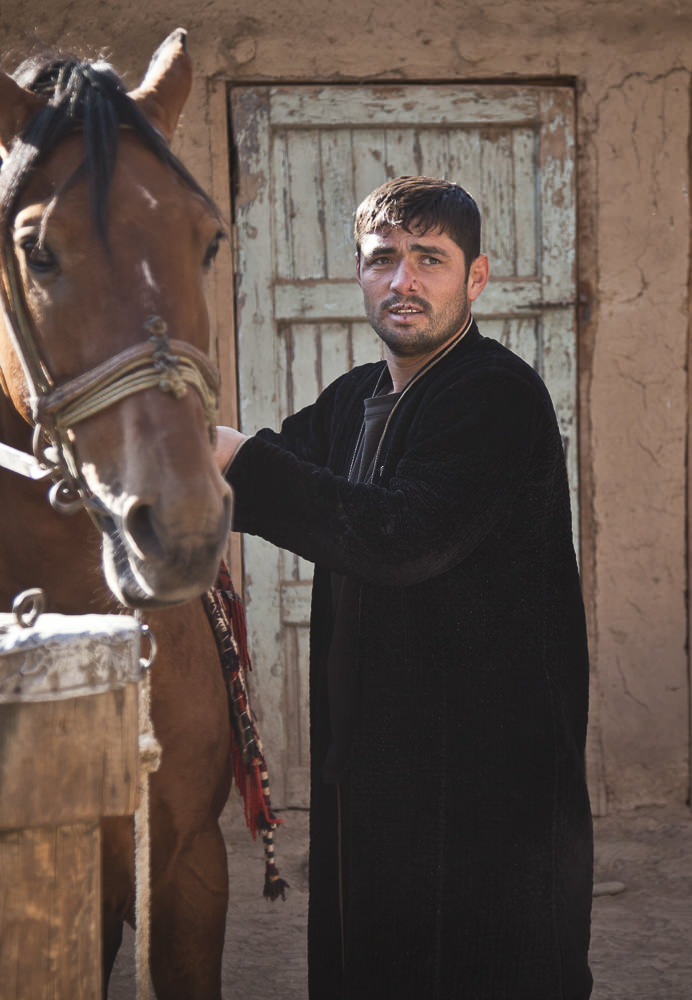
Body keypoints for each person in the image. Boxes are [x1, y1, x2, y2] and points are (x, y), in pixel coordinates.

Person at [215, 176, 593, 999]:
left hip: (488, 781)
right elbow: (259, 481)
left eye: (430, 259)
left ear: (476, 277)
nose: (403, 281)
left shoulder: (495, 395)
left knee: (489, 969)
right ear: (359, 272)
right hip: (375, 771)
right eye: (384, 259)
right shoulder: (358, 399)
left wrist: (236, 458)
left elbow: (399, 537)